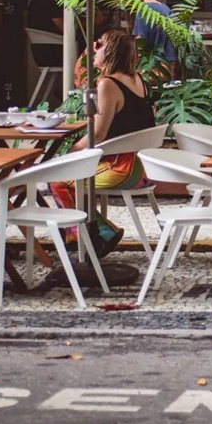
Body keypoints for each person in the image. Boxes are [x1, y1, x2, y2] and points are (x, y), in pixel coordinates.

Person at [50, 29, 155, 257]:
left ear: (111, 51)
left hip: (120, 169)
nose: (93, 49)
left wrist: (69, 151)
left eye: (99, 44)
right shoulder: (138, 80)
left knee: (57, 181)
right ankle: (92, 236)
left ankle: (96, 237)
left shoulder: (108, 84)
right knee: (76, 174)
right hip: (141, 167)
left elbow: (98, 133)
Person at [115, 0, 176, 68]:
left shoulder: (143, 11)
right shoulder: (163, 7)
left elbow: (139, 46)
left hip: (155, 71)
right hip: (169, 67)